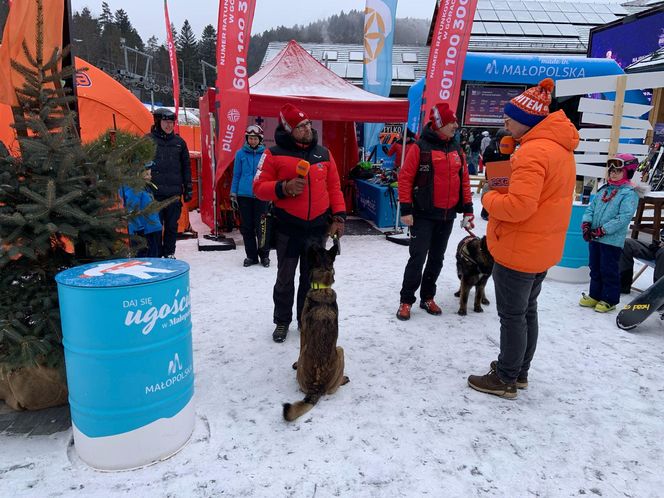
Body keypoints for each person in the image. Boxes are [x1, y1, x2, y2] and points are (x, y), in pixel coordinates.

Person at [468, 78, 578, 399]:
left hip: (519, 248)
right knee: (527, 311)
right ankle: (519, 373)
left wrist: (488, 197)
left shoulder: (533, 153)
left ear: (528, 120)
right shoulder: (557, 148)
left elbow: (519, 206)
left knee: (513, 316)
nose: (504, 121)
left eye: (509, 117)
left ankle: (505, 378)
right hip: (539, 248)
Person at [253, 103, 346, 343]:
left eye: (308, 124)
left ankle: (306, 319)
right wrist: (283, 188)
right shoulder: (272, 154)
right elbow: (258, 188)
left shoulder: (324, 153)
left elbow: (334, 187)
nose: (307, 128)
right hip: (288, 227)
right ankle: (282, 321)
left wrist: (339, 217)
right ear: (288, 128)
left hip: (317, 227)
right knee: (285, 278)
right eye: (300, 126)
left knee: (311, 277)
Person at [395, 102, 474, 321]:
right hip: (423, 215)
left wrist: (468, 210)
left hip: (447, 215)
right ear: (439, 124)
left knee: (437, 259)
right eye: (451, 122)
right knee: (417, 258)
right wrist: (406, 209)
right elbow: (405, 178)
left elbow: (464, 181)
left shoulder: (457, 149)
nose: (456, 125)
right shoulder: (420, 147)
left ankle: (427, 296)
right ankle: (406, 300)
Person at [580, 157, 639, 312]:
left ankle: (609, 299)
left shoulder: (629, 194)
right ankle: (594, 295)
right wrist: (587, 224)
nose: (613, 174)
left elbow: (623, 217)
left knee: (608, 269)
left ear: (628, 172)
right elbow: (591, 208)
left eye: (618, 171)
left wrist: (603, 230)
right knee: (595, 267)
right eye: (611, 171)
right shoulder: (604, 190)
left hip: (611, 240)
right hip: (595, 237)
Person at [148, 108, 192, 259]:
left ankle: (169, 253)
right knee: (155, 227)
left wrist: (188, 187)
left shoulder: (179, 143)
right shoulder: (148, 140)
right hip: (154, 193)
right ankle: (156, 254)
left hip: (174, 193)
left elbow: (186, 167)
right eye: (166, 122)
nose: (169, 125)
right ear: (158, 122)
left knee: (172, 226)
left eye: (171, 122)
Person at [231, 125, 270, 268]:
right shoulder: (240, 154)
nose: (252, 141)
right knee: (247, 227)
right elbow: (236, 175)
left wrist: (271, 194)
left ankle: (264, 255)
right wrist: (233, 194)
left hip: (261, 195)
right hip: (244, 195)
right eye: (250, 138)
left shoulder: (266, 154)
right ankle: (251, 256)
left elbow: (270, 175)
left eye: (255, 138)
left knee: (262, 227)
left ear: (260, 140)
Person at [119, 162, 162, 258]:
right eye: (147, 174)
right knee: (146, 259)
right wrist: (139, 229)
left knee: (153, 257)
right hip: (144, 231)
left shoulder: (145, 187)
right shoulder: (134, 190)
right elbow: (133, 210)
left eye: (150, 174)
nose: (150, 177)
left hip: (151, 229)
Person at [479, 128, 513, 221]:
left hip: (503, 171)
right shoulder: (492, 146)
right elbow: (485, 160)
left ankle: (497, 211)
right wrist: (495, 164)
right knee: (492, 191)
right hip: (492, 171)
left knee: (502, 192)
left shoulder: (507, 146)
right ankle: (485, 212)